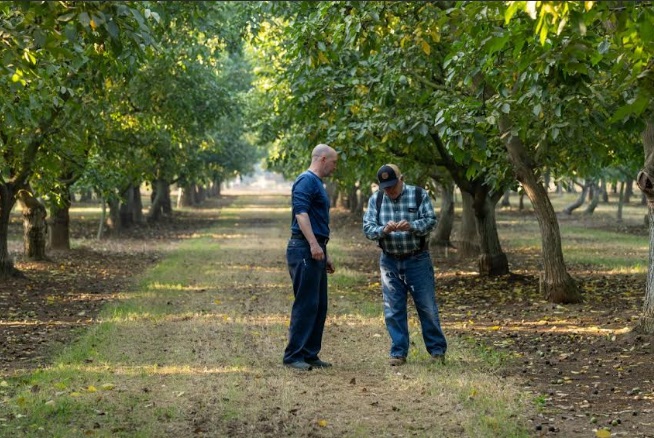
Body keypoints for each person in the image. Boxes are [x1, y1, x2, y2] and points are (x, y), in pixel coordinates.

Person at [362, 164, 447, 366]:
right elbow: (367, 228)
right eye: (386, 187)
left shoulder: (419, 195)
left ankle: (437, 351)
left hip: (417, 259)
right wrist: (383, 230)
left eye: (393, 186)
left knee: (427, 307)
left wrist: (412, 226)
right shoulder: (377, 199)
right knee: (393, 308)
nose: (390, 191)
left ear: (401, 179)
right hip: (389, 260)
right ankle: (398, 352)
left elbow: (431, 221)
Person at [283, 144, 339, 371]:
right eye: (334, 162)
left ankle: (309, 353)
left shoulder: (317, 183)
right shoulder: (306, 180)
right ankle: (293, 355)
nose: (335, 167)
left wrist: (324, 252)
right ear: (323, 159)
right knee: (306, 304)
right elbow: (301, 213)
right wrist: (314, 245)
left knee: (318, 305)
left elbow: (317, 220)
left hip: (316, 249)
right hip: (304, 248)